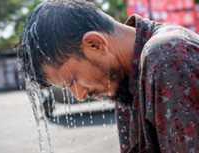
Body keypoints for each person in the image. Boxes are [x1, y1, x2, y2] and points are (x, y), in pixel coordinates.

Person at [18, 0, 199, 152]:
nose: (79, 95)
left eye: (73, 81)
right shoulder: (125, 80)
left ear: (95, 44)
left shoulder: (165, 56)